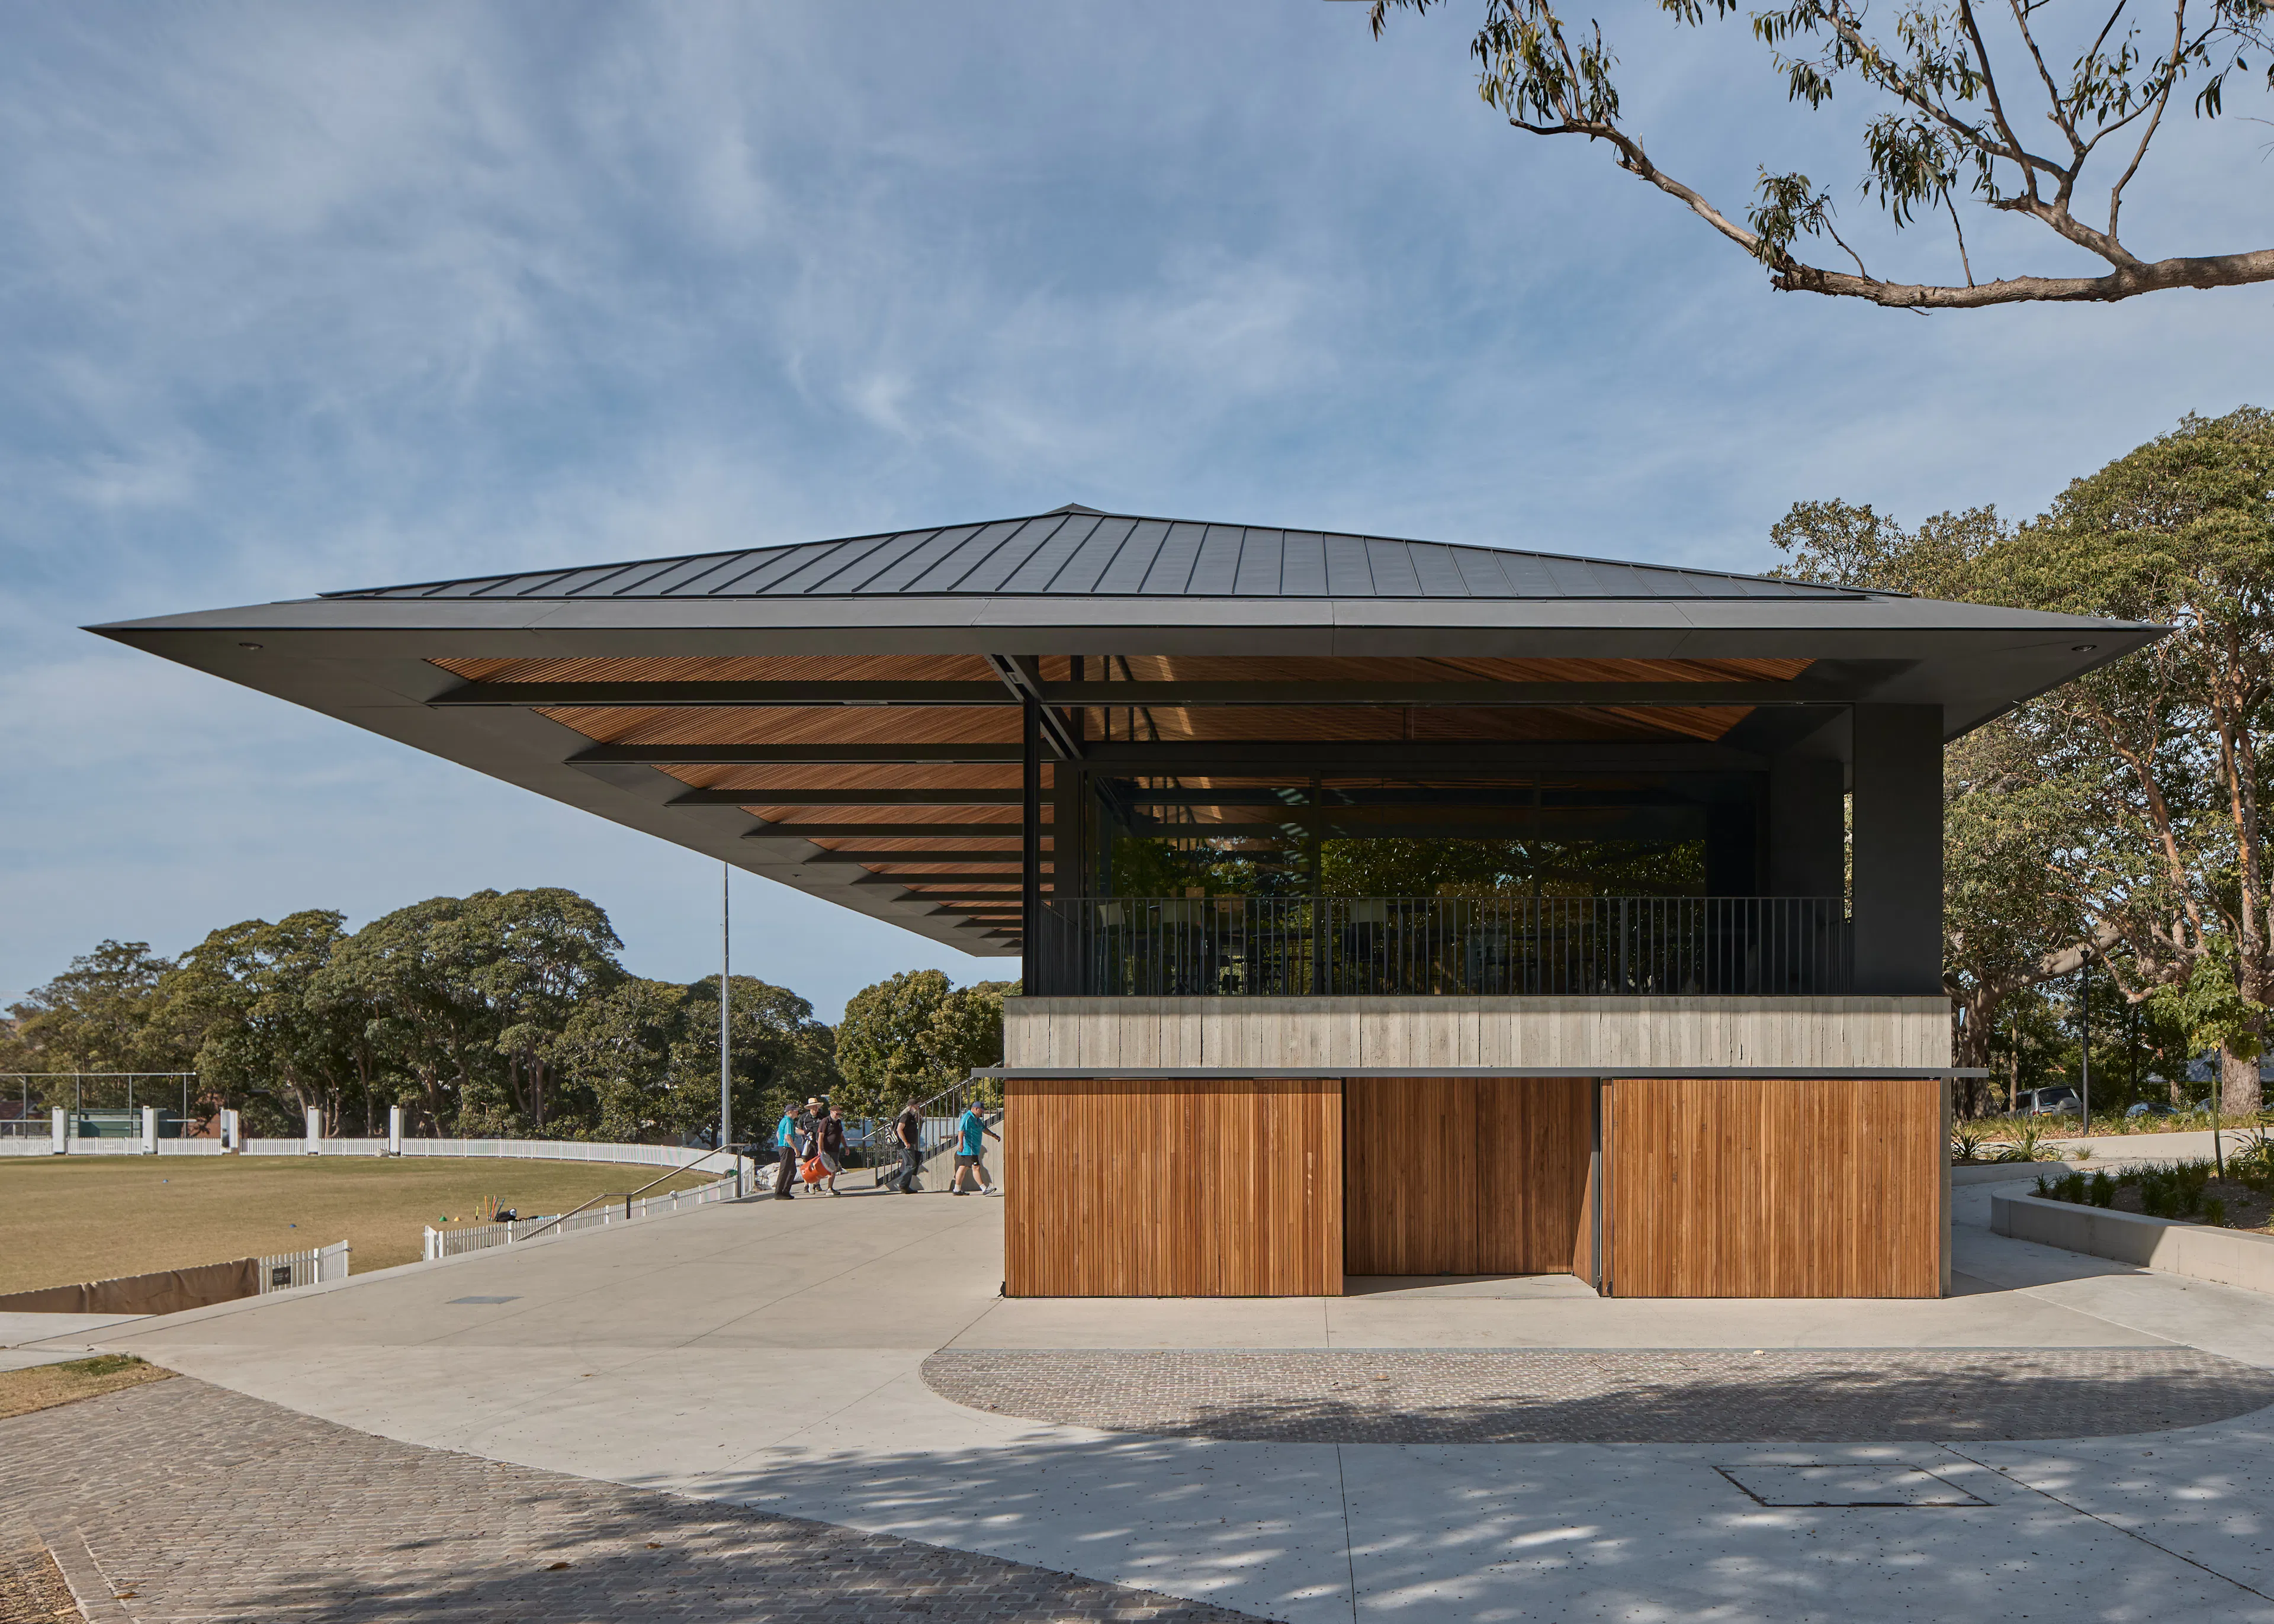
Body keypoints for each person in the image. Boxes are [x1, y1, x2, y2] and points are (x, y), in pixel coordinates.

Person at [950, 1101, 1000, 1197]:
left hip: (973, 1148)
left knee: (963, 1167)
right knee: (976, 1167)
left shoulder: (977, 1119)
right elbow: (961, 1131)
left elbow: (983, 1128)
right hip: (969, 1148)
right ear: (976, 1109)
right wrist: (961, 1144)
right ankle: (984, 1189)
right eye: (981, 1111)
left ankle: (957, 1189)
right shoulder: (967, 1117)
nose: (982, 1113)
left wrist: (993, 1135)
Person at [893, 1101, 923, 1194]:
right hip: (905, 1144)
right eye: (917, 1105)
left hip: (910, 1143)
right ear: (911, 1106)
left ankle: (905, 1187)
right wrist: (906, 1142)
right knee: (911, 1164)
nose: (918, 1107)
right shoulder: (905, 1116)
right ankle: (900, 1183)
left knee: (911, 1164)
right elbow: (899, 1129)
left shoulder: (912, 1116)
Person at [772, 1105, 800, 1200]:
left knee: (792, 1171)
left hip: (784, 1147)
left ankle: (785, 1191)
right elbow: (788, 1136)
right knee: (784, 1171)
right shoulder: (788, 1121)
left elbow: (778, 1134)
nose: (797, 1113)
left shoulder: (786, 1121)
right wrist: (795, 1148)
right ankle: (779, 1192)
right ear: (790, 1112)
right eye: (796, 1111)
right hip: (787, 1148)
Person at [817, 1106, 848, 1195]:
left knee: (833, 1169)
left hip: (835, 1149)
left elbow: (841, 1136)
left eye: (840, 1114)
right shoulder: (826, 1121)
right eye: (837, 1114)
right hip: (826, 1149)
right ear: (831, 1112)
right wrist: (820, 1149)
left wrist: (846, 1147)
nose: (838, 1116)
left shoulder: (838, 1122)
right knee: (823, 1169)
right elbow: (821, 1136)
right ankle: (815, 1184)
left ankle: (829, 1188)